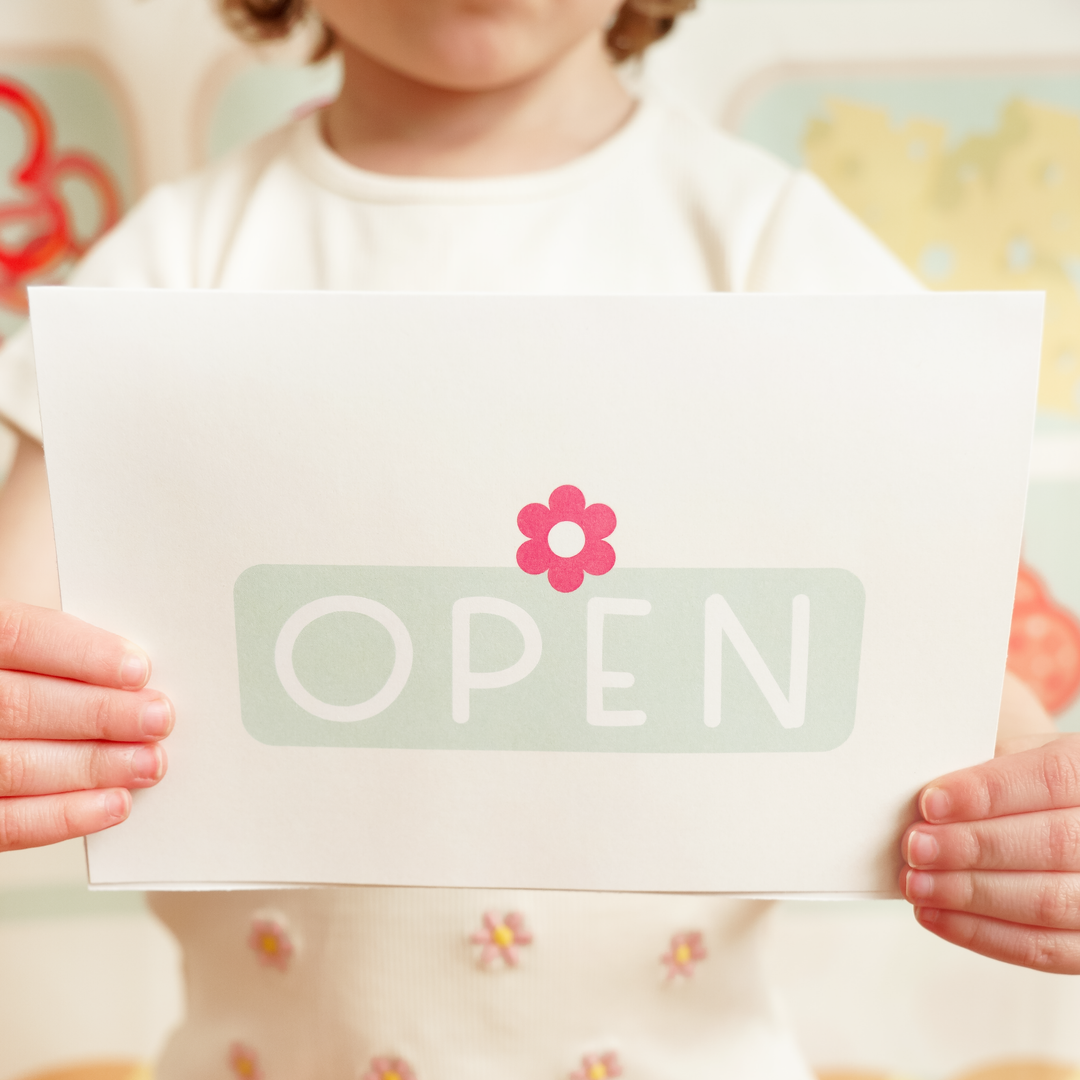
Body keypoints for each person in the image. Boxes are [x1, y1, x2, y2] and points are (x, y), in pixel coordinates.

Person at [0, 0, 1077, 1075]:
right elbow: (25, 632)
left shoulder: (769, 245)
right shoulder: (173, 266)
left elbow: (931, 638)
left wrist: (1031, 783)